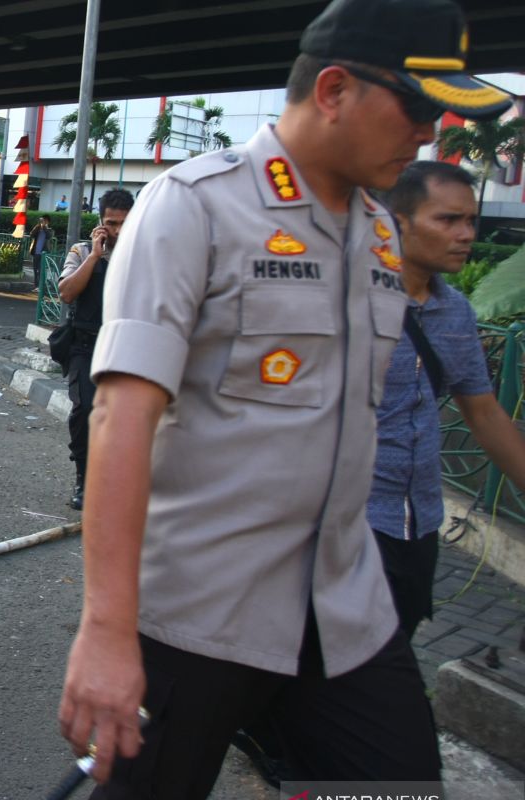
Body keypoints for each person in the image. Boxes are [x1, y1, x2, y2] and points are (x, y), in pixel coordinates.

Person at [57, 0, 511, 795]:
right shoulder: (197, 205)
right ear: (334, 90)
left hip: (344, 605)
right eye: (419, 106)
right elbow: (120, 419)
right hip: (199, 613)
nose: (430, 133)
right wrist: (106, 631)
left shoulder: (376, 229)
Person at [371, 160, 525, 639]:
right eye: (447, 220)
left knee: (399, 638)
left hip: (419, 522)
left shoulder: (454, 310)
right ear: (397, 224)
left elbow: (481, 410)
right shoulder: (346, 302)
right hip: (348, 526)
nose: (466, 235)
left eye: (471, 221)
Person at [57, 190, 133, 510]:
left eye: (123, 224)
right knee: (85, 412)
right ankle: (83, 479)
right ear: (100, 223)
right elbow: (66, 293)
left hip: (127, 346)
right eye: (111, 224)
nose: (117, 231)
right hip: (86, 346)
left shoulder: (142, 252)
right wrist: (94, 257)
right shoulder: (83, 250)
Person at [28, 214, 53, 290]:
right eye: (42, 220)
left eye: (45, 221)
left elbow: (49, 236)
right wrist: (38, 226)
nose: (43, 222)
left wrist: (44, 227)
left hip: (43, 253)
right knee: (36, 270)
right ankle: (36, 286)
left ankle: (41, 286)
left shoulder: (49, 229)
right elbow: (31, 235)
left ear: (48, 222)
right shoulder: (37, 229)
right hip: (36, 252)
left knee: (41, 270)